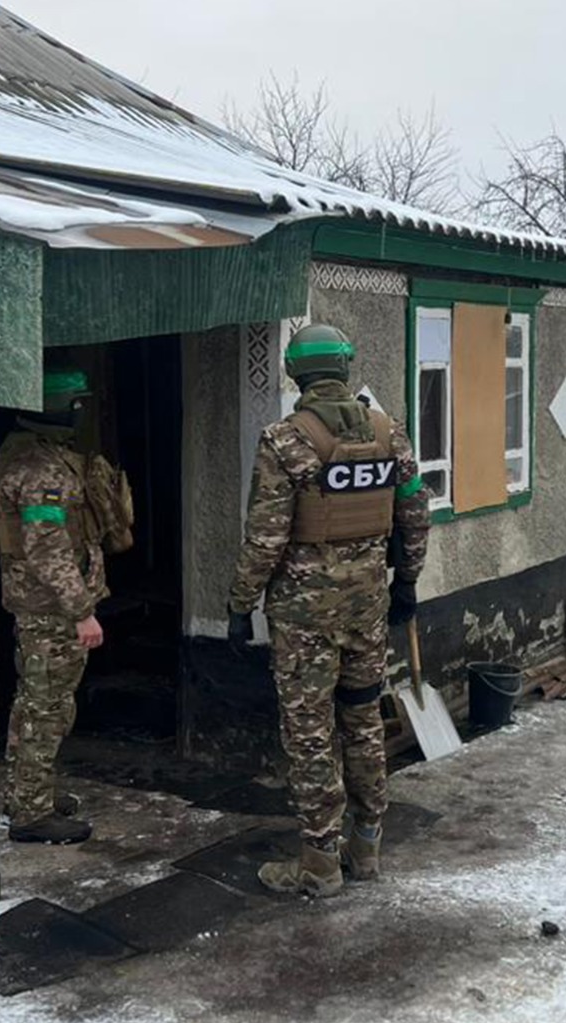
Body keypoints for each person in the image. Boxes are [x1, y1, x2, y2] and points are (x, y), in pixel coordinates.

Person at [228, 323, 431, 898]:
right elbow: (415, 513)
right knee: (363, 719)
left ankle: (320, 864)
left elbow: (265, 537)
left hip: (303, 619)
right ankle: (365, 847)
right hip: (367, 606)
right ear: (345, 366)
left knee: (310, 733)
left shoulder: (284, 441)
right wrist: (407, 580)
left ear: (295, 373)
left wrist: (241, 605)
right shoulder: (391, 434)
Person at [0, 369, 111, 845]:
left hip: (37, 603)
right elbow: (48, 549)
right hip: (51, 608)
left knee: (32, 702)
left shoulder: (23, 453)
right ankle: (31, 816)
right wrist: (81, 610)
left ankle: (26, 794)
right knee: (47, 707)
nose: (80, 412)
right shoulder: (41, 470)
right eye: (75, 404)